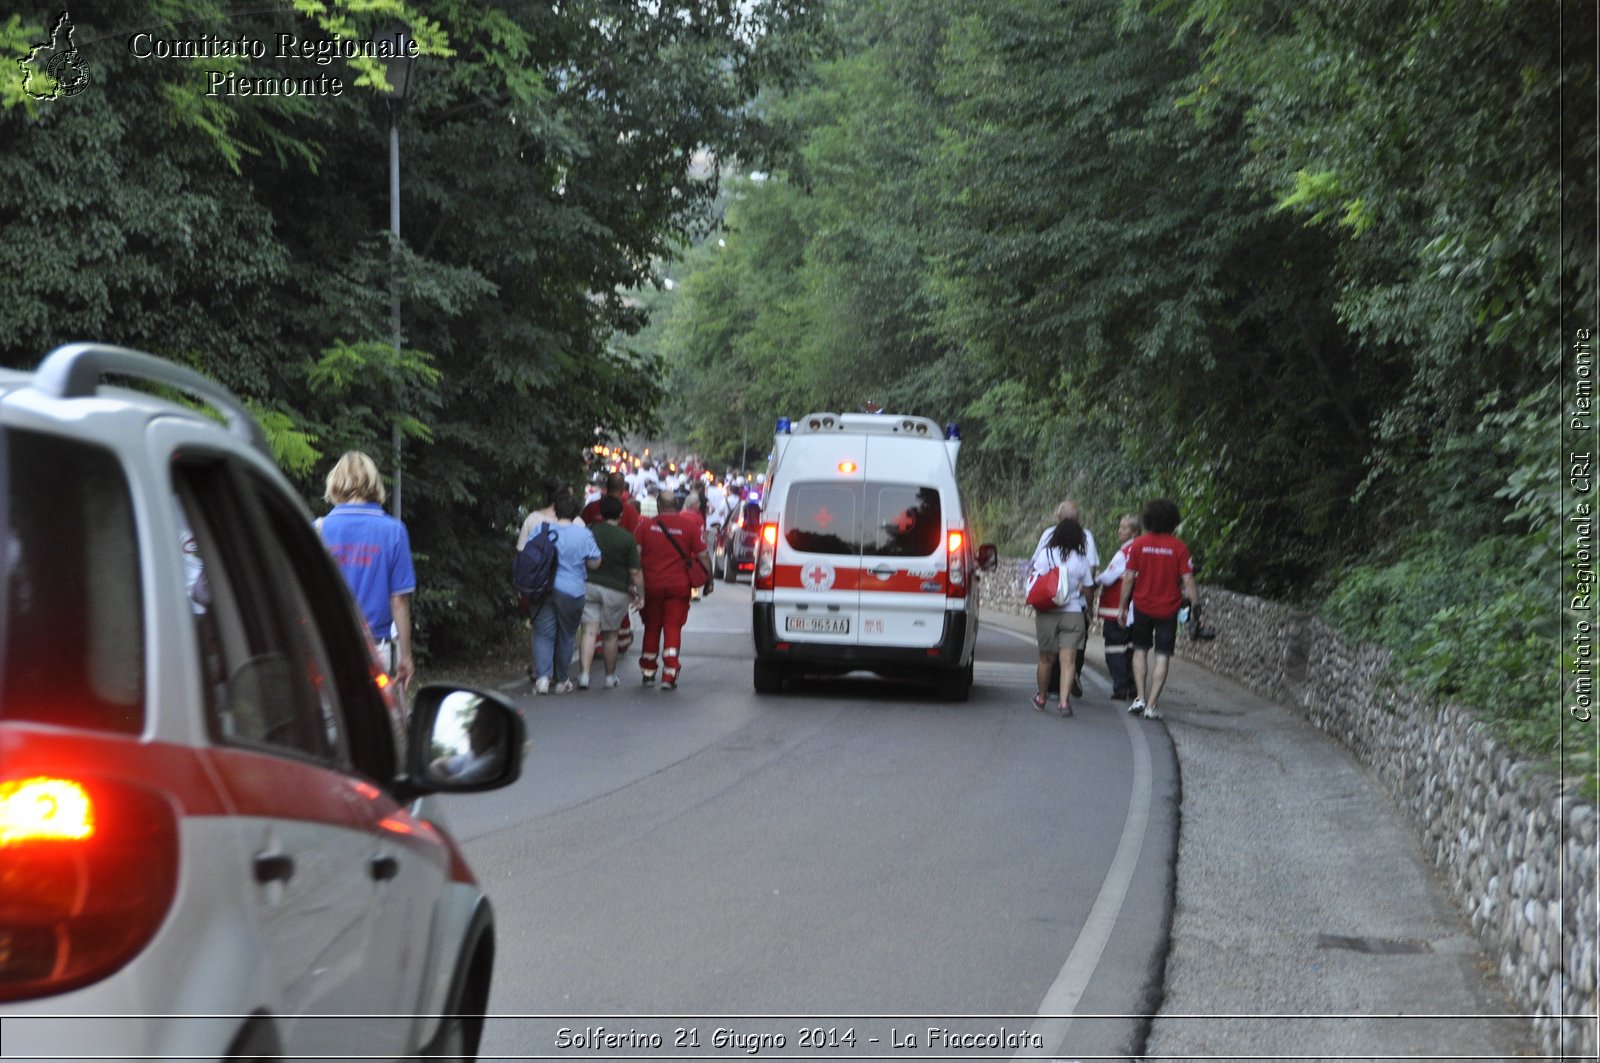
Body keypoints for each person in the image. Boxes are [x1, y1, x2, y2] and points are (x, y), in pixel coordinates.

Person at [319, 451, 417, 692]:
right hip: (376, 650)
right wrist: (406, 656)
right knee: (378, 724)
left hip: (329, 649)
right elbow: (400, 601)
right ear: (374, 483)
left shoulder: (318, 530)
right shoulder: (394, 531)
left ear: (335, 482)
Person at [1120, 498, 1201, 721]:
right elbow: (1188, 578)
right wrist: (1196, 605)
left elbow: (1128, 578)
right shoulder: (1179, 547)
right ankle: (1152, 705)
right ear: (1173, 521)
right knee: (1163, 656)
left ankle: (1140, 697)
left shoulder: (1138, 545)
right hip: (1168, 609)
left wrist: (1121, 607)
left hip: (1143, 606)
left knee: (1139, 650)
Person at [523, 488, 601, 694]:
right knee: (566, 635)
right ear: (576, 513)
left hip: (543, 589)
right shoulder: (584, 533)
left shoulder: (542, 529)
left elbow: (527, 555)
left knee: (543, 634)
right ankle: (561, 680)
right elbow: (595, 562)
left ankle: (541, 679)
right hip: (572, 591)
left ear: (556, 511)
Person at [634, 491, 713, 690]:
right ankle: (669, 674)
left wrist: (634, 583)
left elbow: (636, 555)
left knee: (652, 627)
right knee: (672, 627)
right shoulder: (689, 527)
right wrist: (709, 580)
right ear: (676, 504)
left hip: (651, 585)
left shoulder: (645, 526)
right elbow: (703, 555)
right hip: (678, 586)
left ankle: (648, 670)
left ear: (659, 504)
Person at [1032, 498, 1100, 697]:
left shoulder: (1048, 537)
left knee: (1047, 655)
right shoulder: (1085, 539)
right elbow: (1091, 573)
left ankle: (1044, 693)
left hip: (1048, 606)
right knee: (1071, 655)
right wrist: (1090, 607)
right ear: (1078, 519)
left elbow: (1036, 569)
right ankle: (1065, 696)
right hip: (1074, 607)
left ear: (1058, 518)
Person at [577, 494, 645, 689]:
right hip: (616, 590)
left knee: (589, 631)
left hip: (589, 585)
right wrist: (640, 594)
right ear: (621, 515)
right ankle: (609, 677)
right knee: (610, 635)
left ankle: (583, 676)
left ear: (601, 513)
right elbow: (635, 571)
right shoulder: (627, 539)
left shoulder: (590, 531)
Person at [1095, 513, 1142, 701]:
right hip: (1136, 612)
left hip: (1117, 610)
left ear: (1134, 532)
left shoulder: (1125, 552)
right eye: (1120, 527)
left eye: (1124, 528)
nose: (1119, 531)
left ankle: (1120, 687)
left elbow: (1109, 576)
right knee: (1131, 650)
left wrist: (1093, 580)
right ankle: (1132, 687)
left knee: (1115, 650)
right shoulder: (1141, 549)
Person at [430, 707, 505, 783]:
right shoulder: (474, 754)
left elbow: (453, 784)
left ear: (491, 732)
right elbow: (440, 763)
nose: (469, 731)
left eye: (476, 724)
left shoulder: (490, 762)